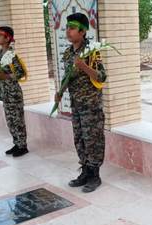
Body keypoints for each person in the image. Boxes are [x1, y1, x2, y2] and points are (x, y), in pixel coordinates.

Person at [56, 12, 107, 193]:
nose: (68, 31)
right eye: (67, 28)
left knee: (93, 140)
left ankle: (95, 175)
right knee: (79, 139)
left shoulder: (91, 51)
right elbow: (68, 78)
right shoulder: (68, 52)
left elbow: (102, 77)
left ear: (82, 31)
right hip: (76, 105)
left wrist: (84, 67)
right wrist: (60, 92)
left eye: (72, 28)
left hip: (91, 105)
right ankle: (85, 171)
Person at [0, 26, 29, 157]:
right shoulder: (0, 54)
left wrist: (7, 77)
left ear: (7, 38)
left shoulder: (11, 55)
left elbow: (20, 73)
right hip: (5, 93)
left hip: (13, 93)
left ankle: (23, 146)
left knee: (17, 120)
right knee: (10, 120)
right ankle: (16, 143)